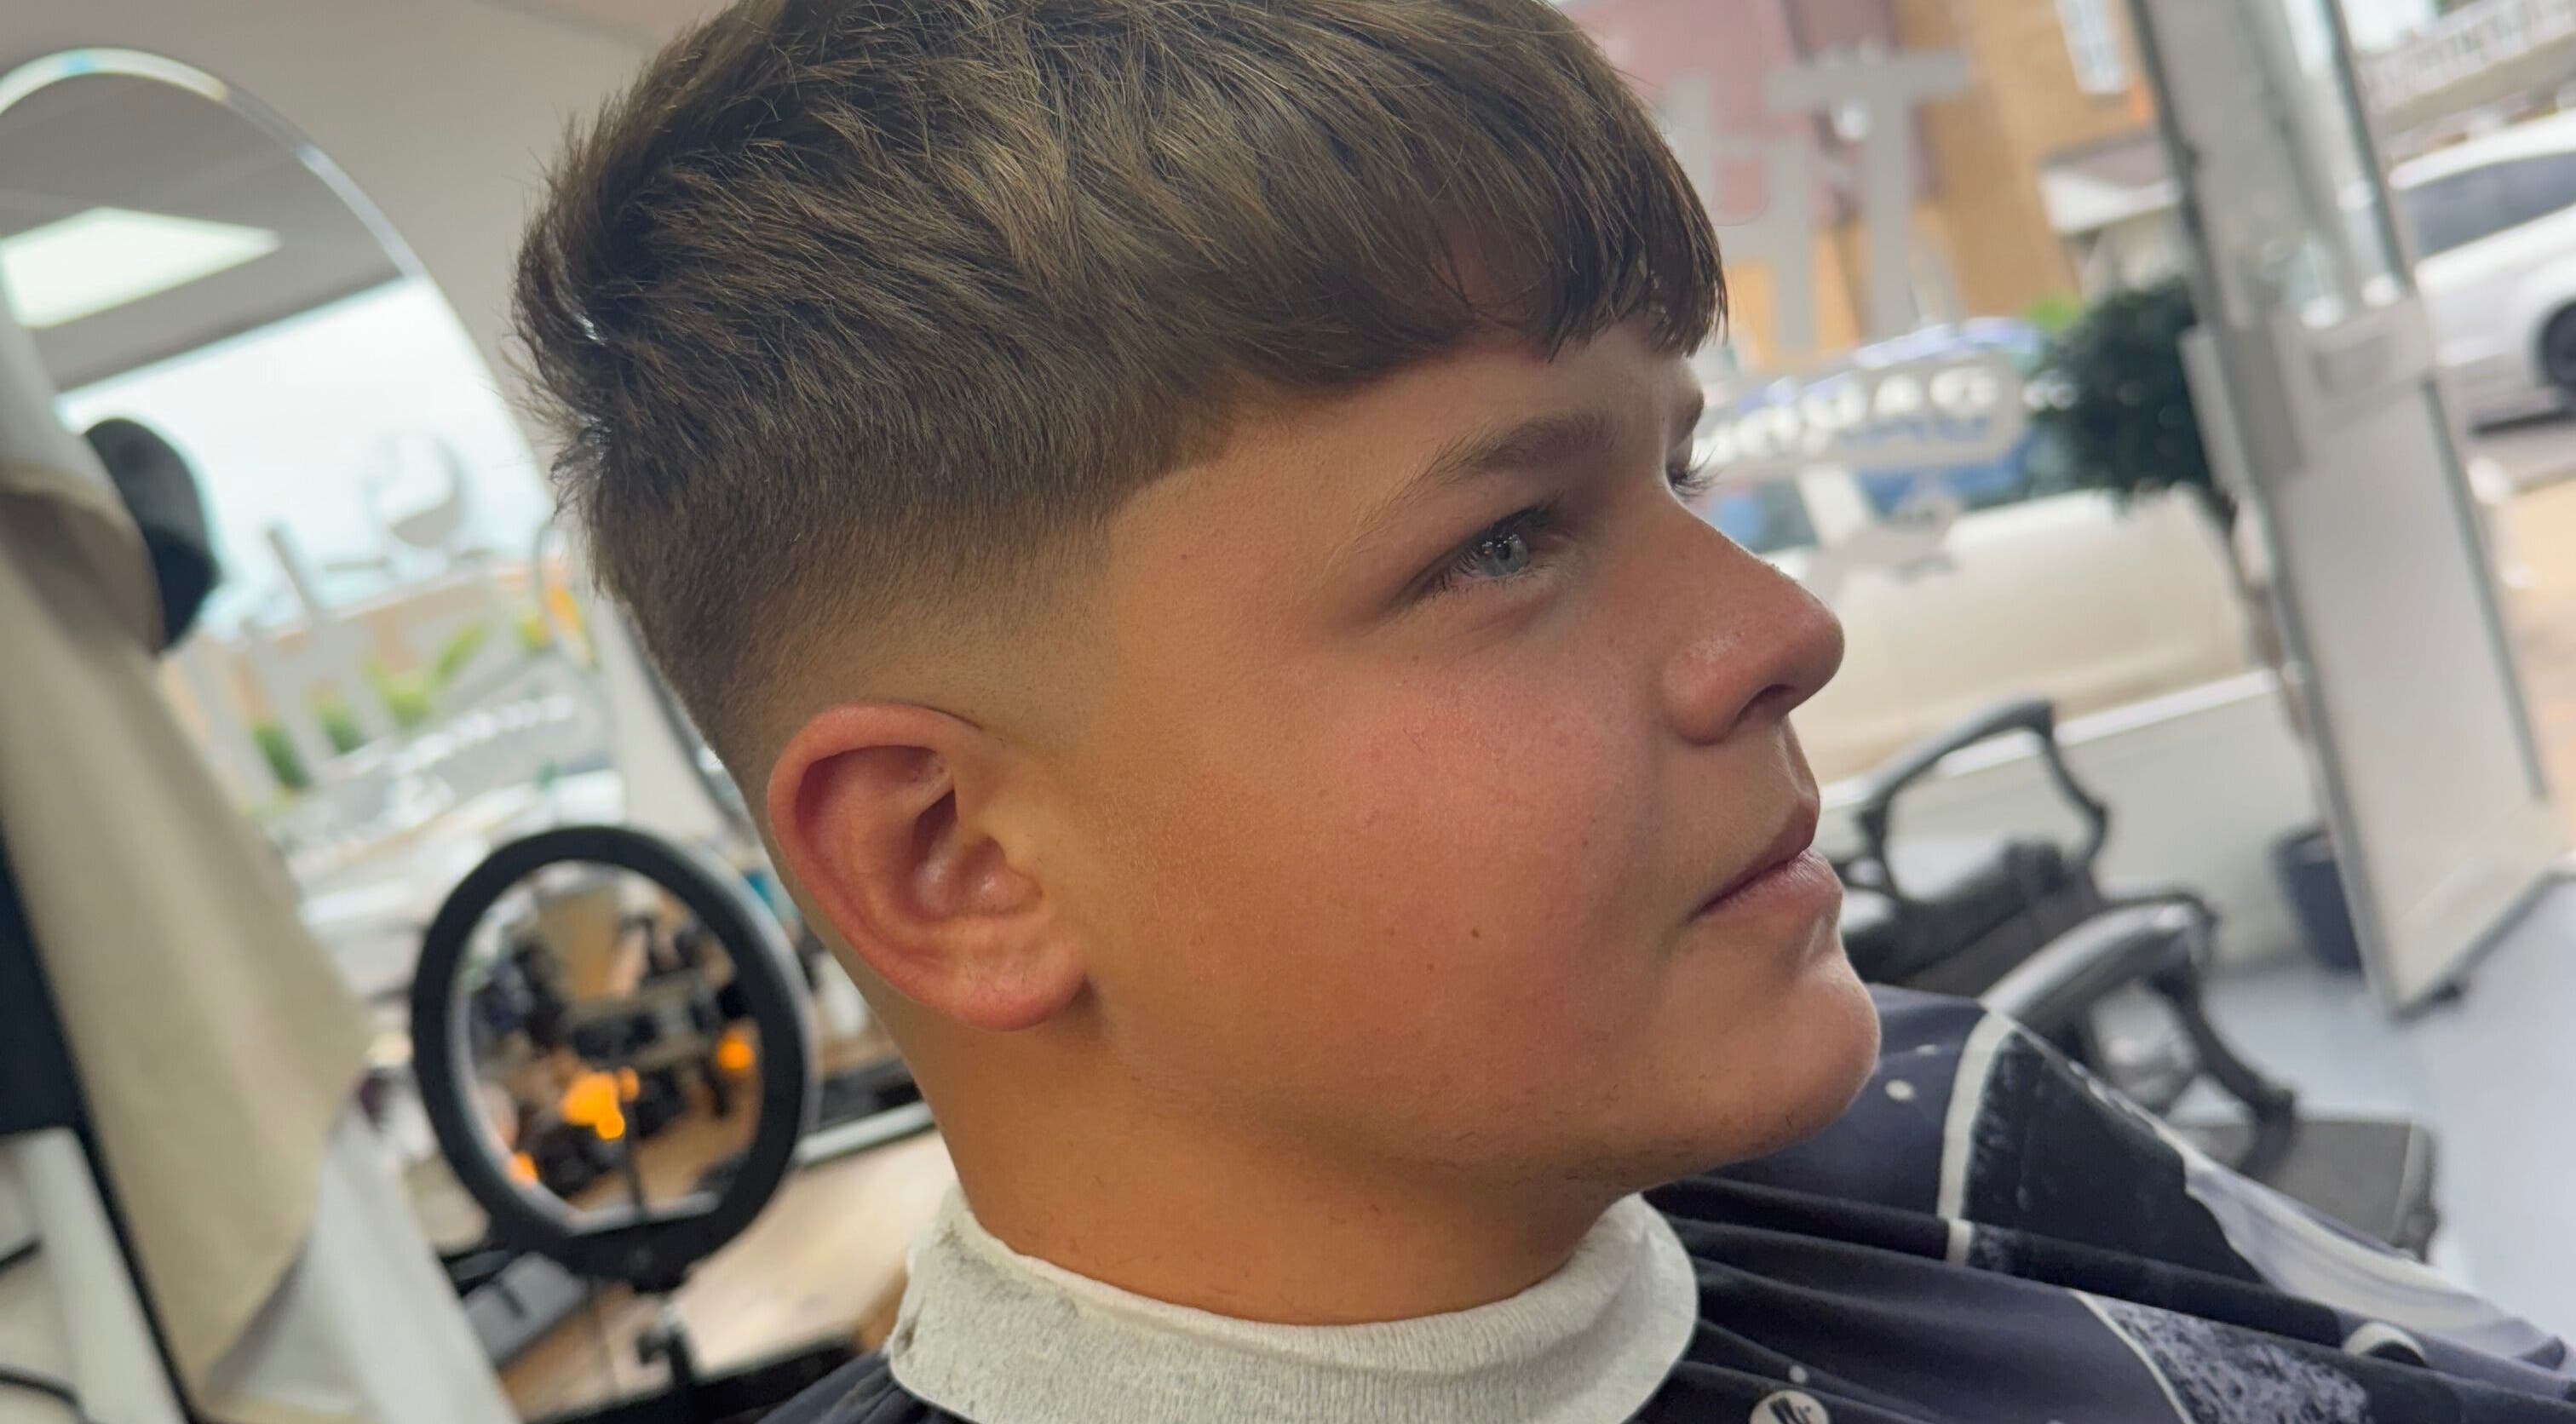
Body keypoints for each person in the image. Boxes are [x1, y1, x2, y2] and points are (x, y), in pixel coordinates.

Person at [509, 1, 2576, 1418]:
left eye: (1681, 468)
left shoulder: (1941, 1121)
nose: (1777, 625)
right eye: (1501, 540)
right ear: (957, 860)